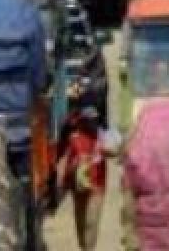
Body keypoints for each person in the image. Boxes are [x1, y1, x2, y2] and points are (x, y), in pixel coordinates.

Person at [56, 103, 119, 251]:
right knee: (81, 221)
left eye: (94, 120)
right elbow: (63, 158)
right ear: (82, 121)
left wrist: (108, 150)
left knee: (92, 221)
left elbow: (116, 149)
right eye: (89, 121)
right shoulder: (73, 136)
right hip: (77, 186)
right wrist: (61, 179)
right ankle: (84, 247)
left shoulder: (103, 136)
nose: (92, 124)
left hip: (97, 184)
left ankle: (89, 248)